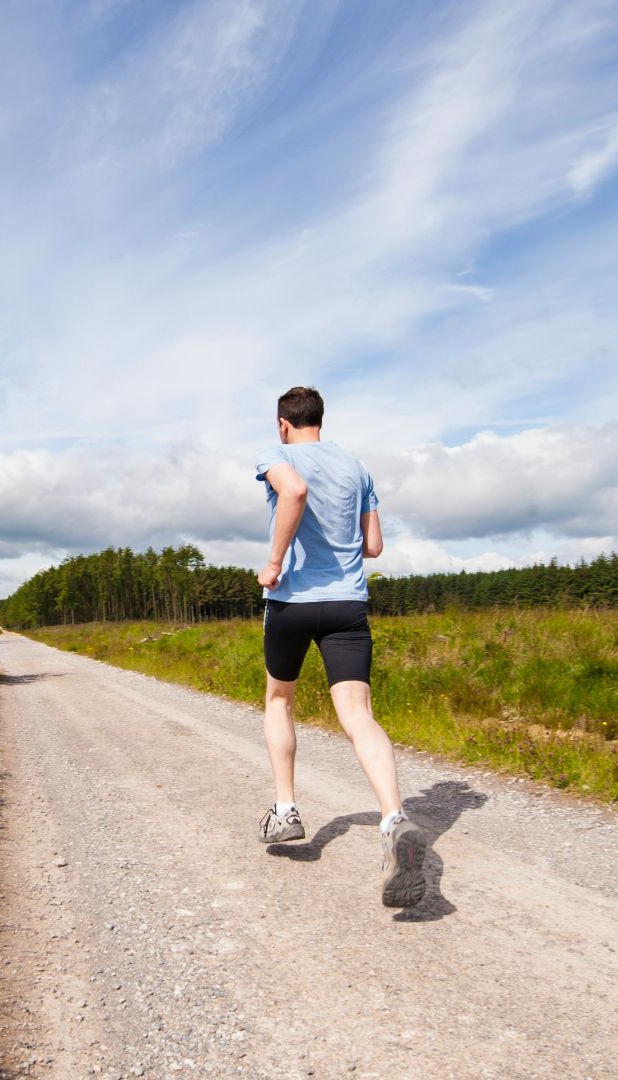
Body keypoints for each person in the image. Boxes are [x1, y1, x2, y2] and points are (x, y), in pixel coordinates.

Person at [254, 386, 426, 908]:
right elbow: (373, 546)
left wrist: (275, 562)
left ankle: (286, 810)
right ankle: (394, 817)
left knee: (279, 699)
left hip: (292, 603)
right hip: (348, 604)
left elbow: (295, 492)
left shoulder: (277, 456)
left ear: (284, 424)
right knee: (358, 714)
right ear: (319, 421)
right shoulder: (356, 467)